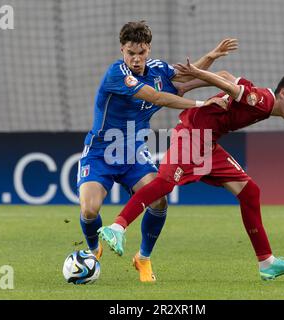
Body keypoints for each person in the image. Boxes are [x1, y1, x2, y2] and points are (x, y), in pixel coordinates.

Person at [98, 58, 284, 281]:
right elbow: (228, 86)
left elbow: (226, 75)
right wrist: (198, 73)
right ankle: (117, 227)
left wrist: (190, 84)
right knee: (165, 182)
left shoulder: (258, 94)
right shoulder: (262, 101)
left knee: (250, 192)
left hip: (208, 144)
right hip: (193, 134)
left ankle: (266, 263)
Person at [77, 20, 237, 282]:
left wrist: (211, 56)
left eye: (141, 53)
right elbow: (156, 97)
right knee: (90, 210)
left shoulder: (158, 68)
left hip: (135, 153)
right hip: (101, 153)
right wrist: (202, 104)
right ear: (122, 51)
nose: (136, 59)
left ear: (148, 50)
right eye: (131, 53)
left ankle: (143, 258)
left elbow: (186, 75)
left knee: (159, 200)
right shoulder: (117, 74)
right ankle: (94, 252)